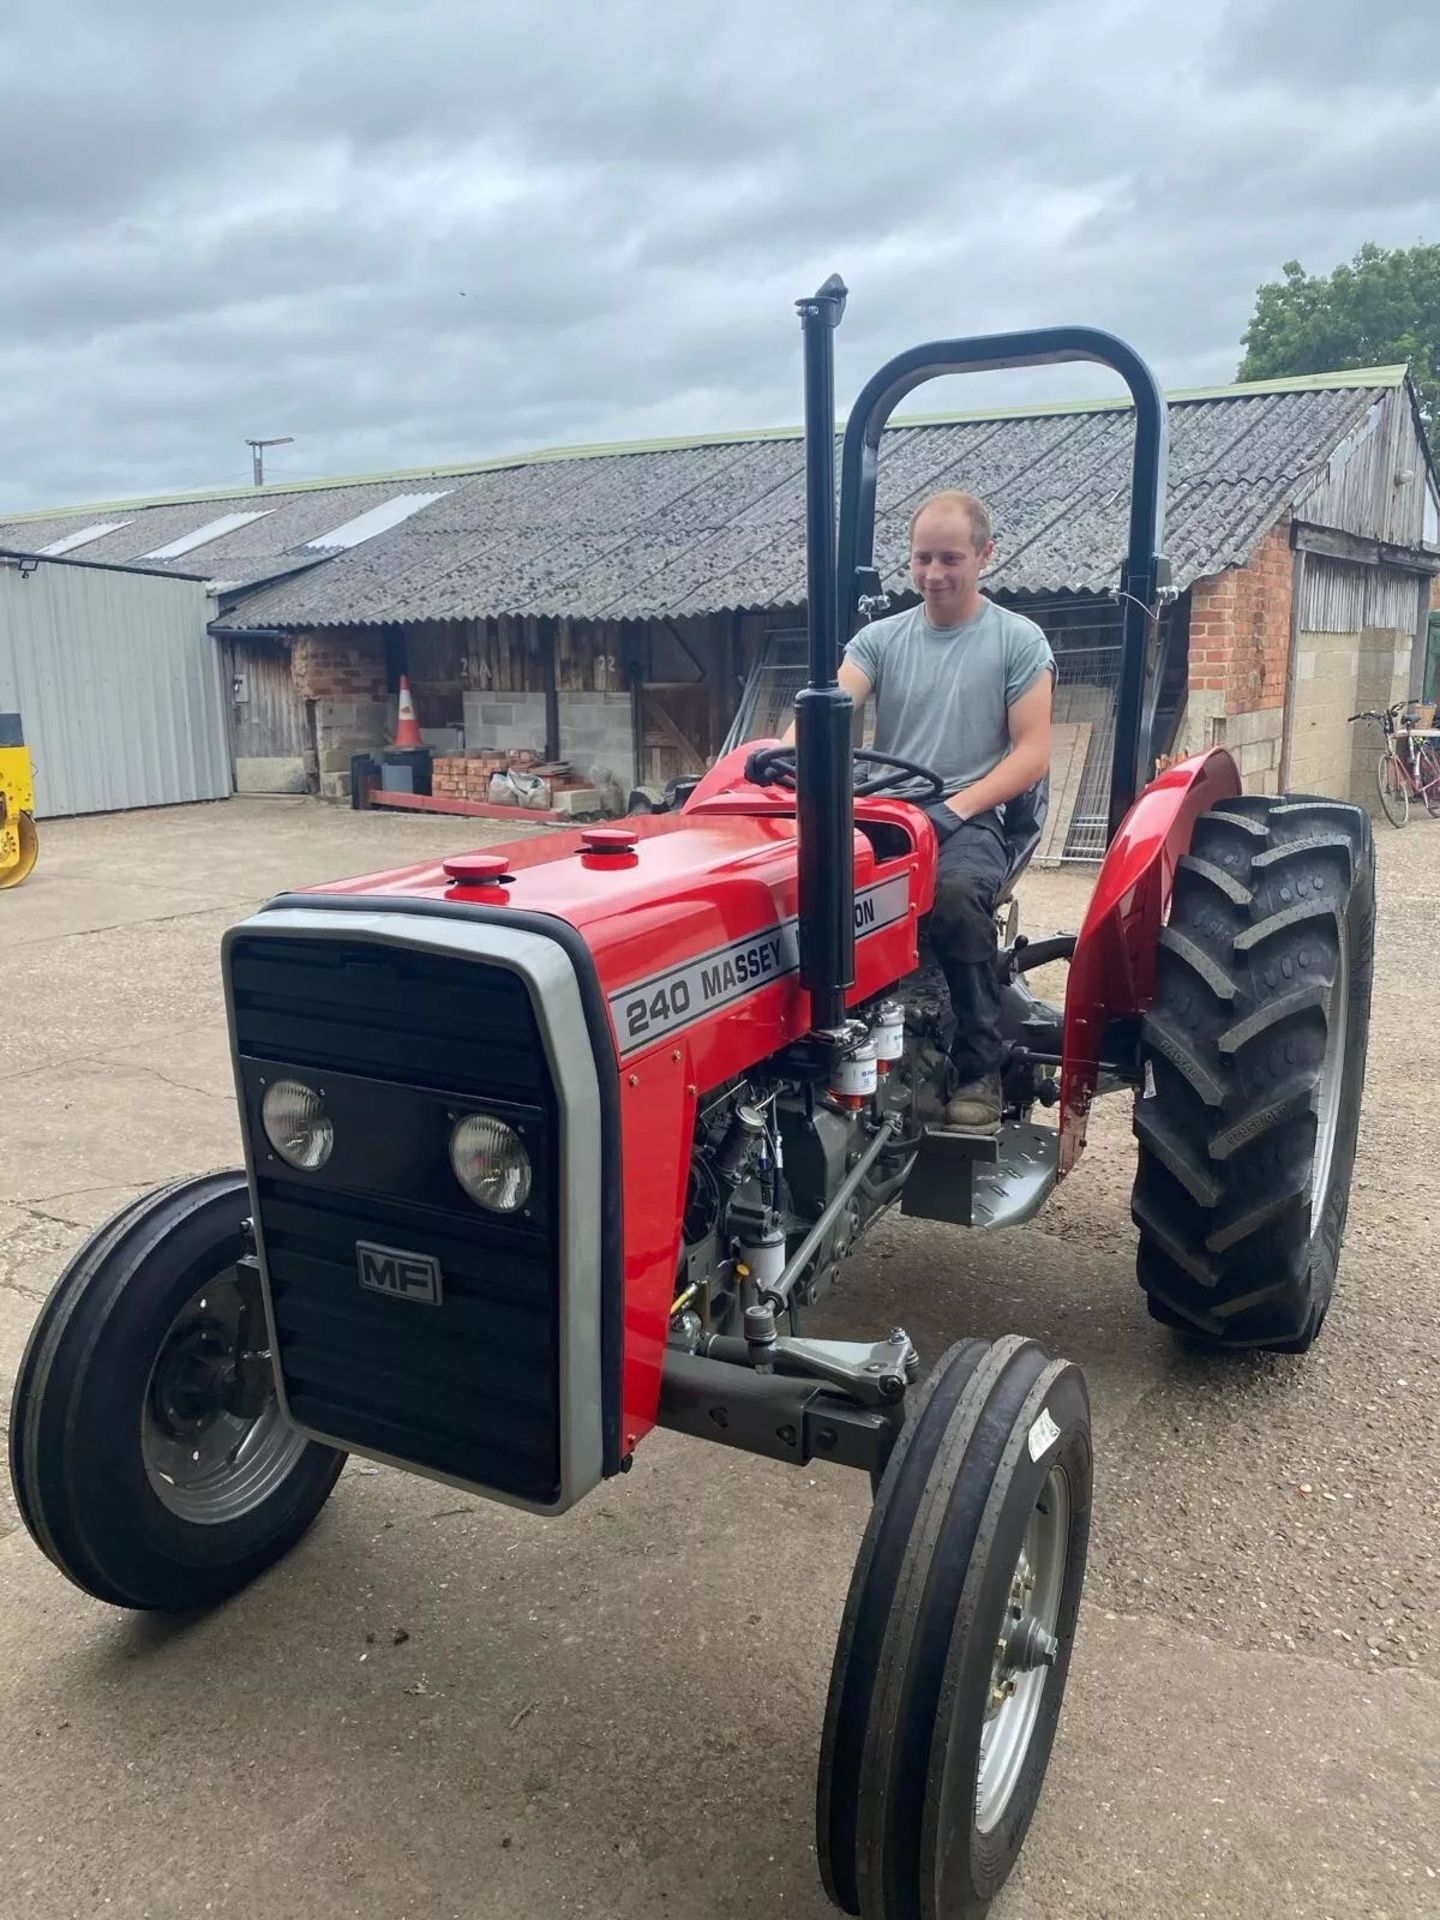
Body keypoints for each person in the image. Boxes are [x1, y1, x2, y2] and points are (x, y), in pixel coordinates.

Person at [815, 489, 1053, 1130]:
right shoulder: (880, 639)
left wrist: (954, 810)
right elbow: (831, 707)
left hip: (970, 816)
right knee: (800, 891)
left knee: (952, 895)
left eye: (950, 558)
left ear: (984, 556)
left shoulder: (1017, 641)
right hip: (889, 813)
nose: (934, 574)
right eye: (923, 559)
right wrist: (775, 761)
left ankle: (980, 1063)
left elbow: (1031, 754)